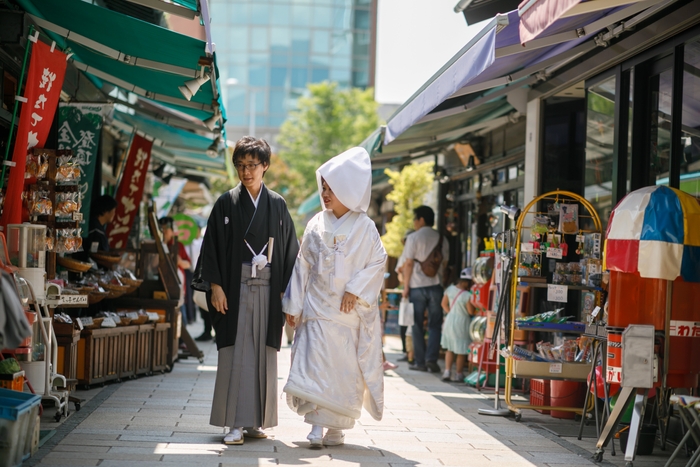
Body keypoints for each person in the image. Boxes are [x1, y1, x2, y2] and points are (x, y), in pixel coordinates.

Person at [193, 136, 299, 445]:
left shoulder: (277, 204)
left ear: (265, 166)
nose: (246, 172)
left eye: (252, 165)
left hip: (268, 288)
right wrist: (215, 286)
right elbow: (211, 248)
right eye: (240, 166)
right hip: (234, 288)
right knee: (236, 353)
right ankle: (233, 423)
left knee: (263, 355)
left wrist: (285, 293)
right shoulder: (226, 202)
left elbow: (290, 251)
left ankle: (257, 421)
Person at [283, 147, 386, 449]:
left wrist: (356, 288)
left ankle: (337, 428)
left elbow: (378, 263)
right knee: (312, 365)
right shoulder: (316, 223)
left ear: (349, 189)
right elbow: (303, 265)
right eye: (324, 187)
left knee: (342, 372)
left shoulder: (366, 228)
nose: (325, 193)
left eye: (332, 188)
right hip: (316, 308)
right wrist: (293, 304)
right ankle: (316, 425)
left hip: (346, 313)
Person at [401, 205, 449, 373]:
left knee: (417, 325)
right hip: (436, 286)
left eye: (415, 219)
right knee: (435, 325)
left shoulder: (413, 238)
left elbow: (408, 263)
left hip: (417, 287)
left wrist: (405, 286)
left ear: (421, 219)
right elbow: (444, 263)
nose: (414, 223)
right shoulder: (442, 238)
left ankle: (420, 362)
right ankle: (432, 360)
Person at [440, 268, 477, 382]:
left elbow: (443, 304)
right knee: (461, 350)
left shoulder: (450, 289)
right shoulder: (467, 295)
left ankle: (447, 372)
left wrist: (451, 311)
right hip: (462, 322)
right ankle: (459, 374)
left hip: (450, 319)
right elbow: (471, 312)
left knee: (450, 348)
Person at [159, 216, 192, 326]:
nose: (163, 232)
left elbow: (188, 264)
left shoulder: (178, 245)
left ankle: (182, 341)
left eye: (166, 229)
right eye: (161, 229)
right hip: (161, 284)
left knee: (180, 314)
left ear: (172, 231)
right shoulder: (157, 246)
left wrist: (179, 261)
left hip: (178, 285)